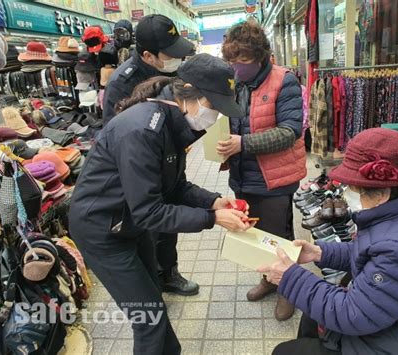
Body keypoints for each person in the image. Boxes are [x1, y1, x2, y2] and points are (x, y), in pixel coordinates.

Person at [69, 54, 255, 354]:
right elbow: (149, 211)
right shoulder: (143, 129)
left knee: (152, 299)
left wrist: (215, 201)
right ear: (190, 96)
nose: (216, 117)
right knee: (148, 317)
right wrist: (212, 218)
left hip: (127, 220)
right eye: (215, 107)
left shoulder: (171, 120)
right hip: (101, 230)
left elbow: (175, 186)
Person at [258, 128, 398, 354]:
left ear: (382, 194)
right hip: (396, 313)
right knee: (311, 316)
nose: (349, 194)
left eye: (356, 190)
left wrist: (291, 278)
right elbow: (374, 252)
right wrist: (321, 253)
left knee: (286, 351)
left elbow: (353, 314)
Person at [102, 14, 197, 296]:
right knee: (148, 225)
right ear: (147, 55)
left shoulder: (171, 72)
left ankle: (169, 273)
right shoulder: (122, 82)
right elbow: (115, 133)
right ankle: (151, 281)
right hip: (140, 169)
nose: (176, 59)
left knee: (170, 225)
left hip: (169, 160)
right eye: (170, 54)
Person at [219, 19, 306, 321]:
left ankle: (289, 289)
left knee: (278, 236)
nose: (237, 67)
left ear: (262, 56)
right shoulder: (234, 83)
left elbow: (290, 130)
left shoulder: (285, 80)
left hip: (275, 178)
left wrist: (243, 143)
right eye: (232, 61)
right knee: (255, 234)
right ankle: (269, 280)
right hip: (243, 176)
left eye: (243, 61)